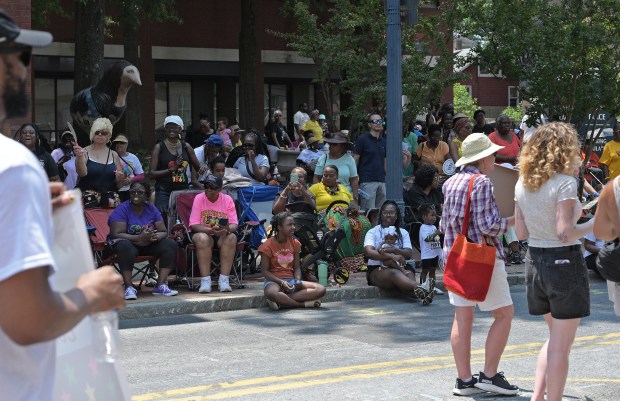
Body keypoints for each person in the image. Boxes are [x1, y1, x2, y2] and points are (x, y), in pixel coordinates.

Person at [0, 12, 124, 399]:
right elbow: (29, 320)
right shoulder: (12, 166)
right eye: (20, 56)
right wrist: (92, 292)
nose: (24, 70)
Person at [514, 122, 594, 401]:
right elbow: (565, 233)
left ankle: (538, 396)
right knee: (561, 346)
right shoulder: (564, 183)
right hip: (564, 262)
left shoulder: (522, 183)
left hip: (534, 261)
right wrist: (594, 222)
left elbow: (521, 232)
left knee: (553, 340)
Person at [441, 132, 518, 396]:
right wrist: (511, 220)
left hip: (456, 256)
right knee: (504, 314)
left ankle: (464, 380)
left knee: (462, 317)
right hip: (482, 258)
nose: (495, 158)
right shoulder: (482, 182)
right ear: (483, 158)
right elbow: (489, 226)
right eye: (492, 154)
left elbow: (444, 224)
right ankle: (490, 375)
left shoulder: (450, 183)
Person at [108, 182, 179, 299]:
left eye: (140, 192)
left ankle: (160, 285)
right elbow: (116, 234)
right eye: (132, 192)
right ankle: (129, 287)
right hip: (127, 246)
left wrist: (153, 237)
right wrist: (139, 237)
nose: (135, 194)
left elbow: (163, 231)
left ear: (146, 195)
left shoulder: (151, 209)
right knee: (125, 246)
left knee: (170, 244)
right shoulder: (122, 209)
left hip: (147, 244)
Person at [363, 201, 434, 305]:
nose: (388, 215)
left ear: (396, 216)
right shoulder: (373, 232)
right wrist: (392, 256)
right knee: (395, 273)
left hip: (403, 266)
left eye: (391, 213)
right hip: (378, 269)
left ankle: (423, 293)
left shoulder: (403, 232)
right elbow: (369, 252)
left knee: (408, 282)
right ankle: (422, 287)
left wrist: (394, 250)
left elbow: (408, 253)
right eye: (385, 212)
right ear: (381, 215)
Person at [259, 212, 326, 310]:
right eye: (289, 225)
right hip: (274, 281)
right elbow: (265, 271)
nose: (293, 227)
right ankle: (300, 304)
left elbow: (297, 267)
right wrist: (281, 283)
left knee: (321, 289)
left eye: (294, 224)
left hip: (291, 281)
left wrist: (298, 280)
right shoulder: (267, 246)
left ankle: (282, 300)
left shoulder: (295, 243)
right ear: (280, 227)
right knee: (271, 293)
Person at [309, 165, 371, 271]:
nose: (327, 178)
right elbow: (309, 202)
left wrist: (353, 207)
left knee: (364, 222)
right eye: (325, 175)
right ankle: (344, 260)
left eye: (331, 175)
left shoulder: (343, 188)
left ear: (337, 176)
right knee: (342, 225)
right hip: (326, 214)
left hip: (346, 214)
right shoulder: (316, 187)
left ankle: (360, 259)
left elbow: (351, 201)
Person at [189, 174, 239, 293]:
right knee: (202, 238)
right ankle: (205, 281)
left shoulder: (227, 199)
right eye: (206, 186)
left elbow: (234, 224)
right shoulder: (199, 198)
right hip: (203, 232)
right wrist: (211, 231)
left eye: (212, 187)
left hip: (222, 235)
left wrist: (226, 230)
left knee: (231, 237)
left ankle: (224, 280)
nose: (208, 189)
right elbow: (194, 225)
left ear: (220, 189)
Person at [150, 115, 201, 222]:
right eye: (168, 126)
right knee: (162, 220)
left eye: (175, 127)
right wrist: (171, 169)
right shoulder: (159, 147)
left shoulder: (186, 146)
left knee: (183, 219)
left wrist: (203, 168)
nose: (171, 129)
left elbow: (198, 168)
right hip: (164, 190)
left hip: (182, 189)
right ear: (165, 129)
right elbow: (152, 174)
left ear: (180, 129)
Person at [74, 117, 125, 206]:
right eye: (97, 132)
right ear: (92, 134)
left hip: (110, 202)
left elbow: (119, 185)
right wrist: (79, 157)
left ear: (109, 136)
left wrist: (120, 178)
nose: (100, 134)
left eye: (104, 133)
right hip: (88, 201)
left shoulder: (114, 155)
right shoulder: (83, 152)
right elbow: (82, 173)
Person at [354, 113, 387, 210]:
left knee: (381, 212)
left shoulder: (384, 141)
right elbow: (355, 159)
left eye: (380, 121)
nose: (378, 123)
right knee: (368, 211)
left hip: (381, 181)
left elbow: (385, 161)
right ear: (369, 124)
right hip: (367, 180)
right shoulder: (362, 139)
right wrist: (355, 177)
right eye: (375, 121)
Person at [313, 130, 359, 198]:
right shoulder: (323, 158)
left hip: (345, 195)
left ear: (342, 146)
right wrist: (318, 193)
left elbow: (354, 179)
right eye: (330, 144)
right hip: (326, 195)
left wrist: (355, 198)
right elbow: (316, 177)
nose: (331, 146)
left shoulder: (349, 159)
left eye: (334, 144)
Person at [418, 205, 443, 295]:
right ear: (424, 217)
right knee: (425, 271)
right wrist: (437, 233)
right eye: (432, 215)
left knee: (433, 270)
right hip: (427, 254)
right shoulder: (423, 228)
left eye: (435, 215)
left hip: (434, 253)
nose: (434, 217)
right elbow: (427, 239)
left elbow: (436, 238)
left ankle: (432, 287)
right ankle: (422, 286)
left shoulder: (433, 227)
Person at [111, 134, 144, 202]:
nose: (119, 144)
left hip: (128, 191)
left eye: (122, 143)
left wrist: (131, 179)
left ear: (127, 144)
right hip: (114, 190)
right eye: (117, 142)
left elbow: (141, 175)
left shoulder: (133, 158)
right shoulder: (110, 156)